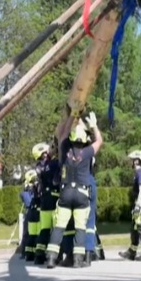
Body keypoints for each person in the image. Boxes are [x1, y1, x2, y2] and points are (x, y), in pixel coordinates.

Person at [44, 113, 103, 269]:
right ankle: (78, 260)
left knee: (60, 226)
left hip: (66, 192)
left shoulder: (65, 151)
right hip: (82, 194)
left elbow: (62, 134)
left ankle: (51, 258)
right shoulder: (87, 153)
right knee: (80, 227)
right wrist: (94, 126)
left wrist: (70, 116)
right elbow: (99, 141)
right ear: (84, 141)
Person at [120, 150, 141, 261]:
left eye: (132, 160)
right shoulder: (137, 173)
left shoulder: (140, 173)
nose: (131, 162)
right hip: (138, 202)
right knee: (134, 228)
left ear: (136, 161)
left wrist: (138, 204)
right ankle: (132, 252)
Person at [32, 142, 61, 265]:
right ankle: (54, 255)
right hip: (54, 199)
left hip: (44, 201)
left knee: (44, 229)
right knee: (56, 227)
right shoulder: (52, 164)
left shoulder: (38, 167)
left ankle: (39, 254)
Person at [19, 170, 38, 259]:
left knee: (35, 233)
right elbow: (28, 202)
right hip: (30, 211)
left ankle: (33, 252)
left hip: (37, 211)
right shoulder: (26, 191)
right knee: (27, 233)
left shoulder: (37, 187)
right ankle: (25, 253)